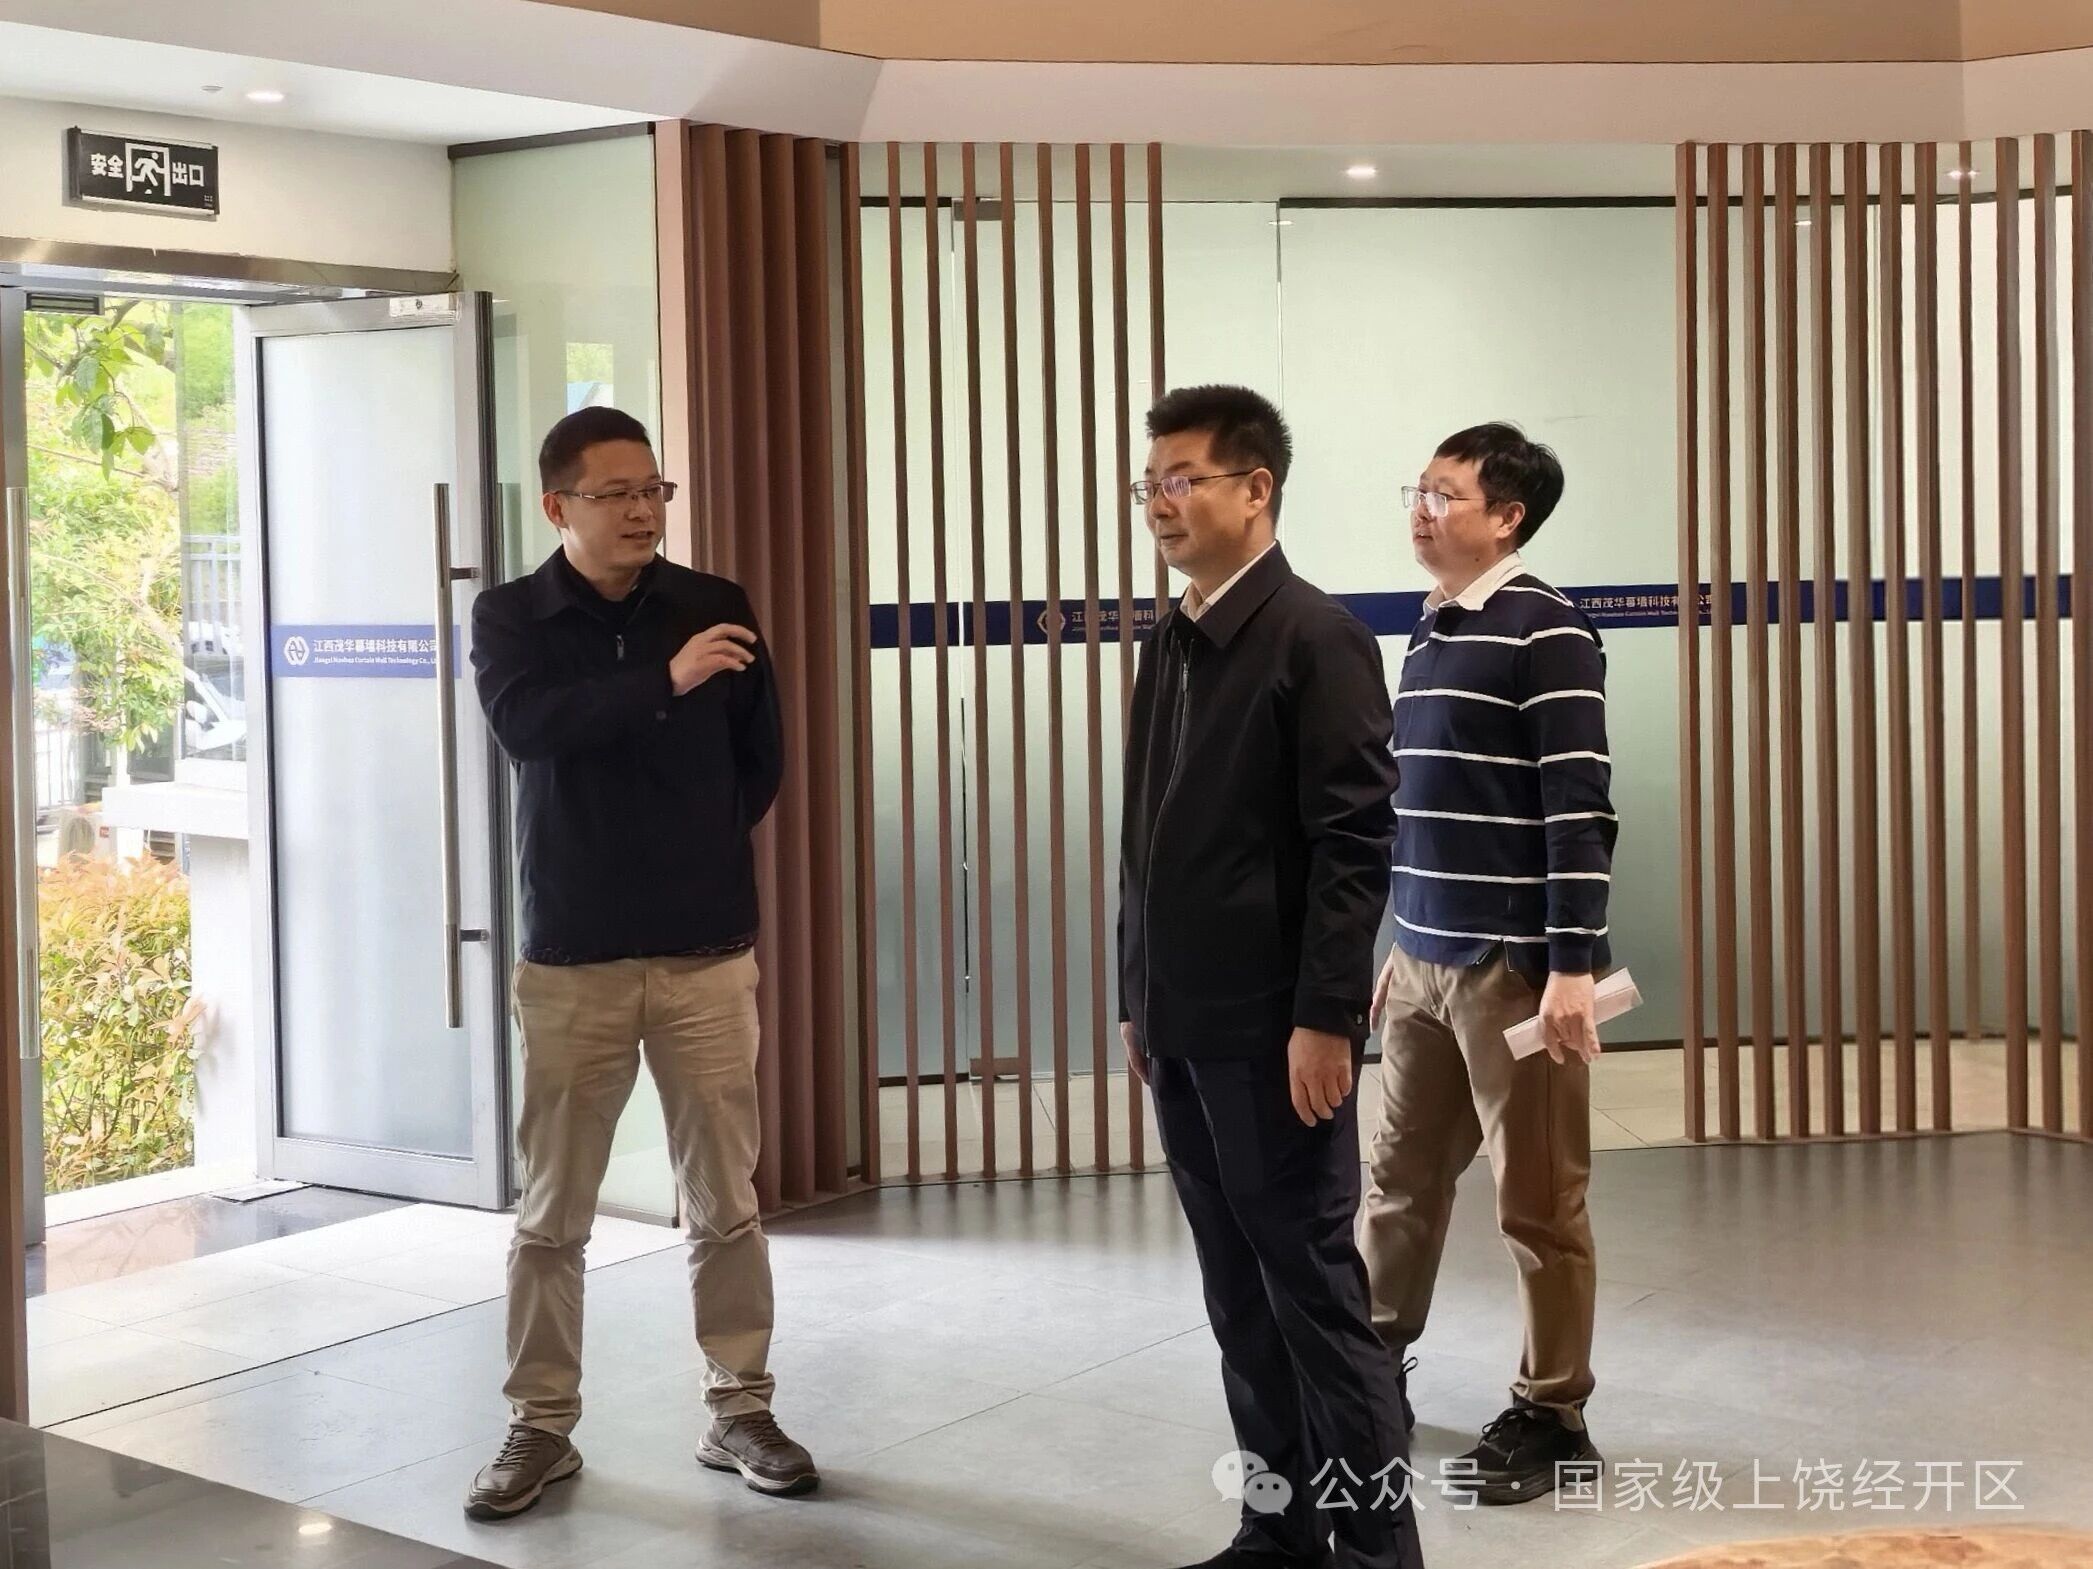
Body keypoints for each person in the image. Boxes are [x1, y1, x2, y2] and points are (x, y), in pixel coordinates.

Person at [463, 406, 816, 1520]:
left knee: (725, 1199)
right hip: (572, 955)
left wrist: (694, 843)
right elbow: (528, 727)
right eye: (614, 493)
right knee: (551, 1211)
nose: (641, 510)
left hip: (706, 950)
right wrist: (663, 680)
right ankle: (540, 1423)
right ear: (557, 505)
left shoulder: (715, 604)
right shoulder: (511, 616)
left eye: (653, 490)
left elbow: (760, 760)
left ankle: (739, 1406)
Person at [1121, 385, 1423, 1569]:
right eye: (1149, 483)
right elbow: (1144, 841)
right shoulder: (1171, 639)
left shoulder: (1314, 638)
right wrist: (1136, 996)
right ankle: (1276, 1524)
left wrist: (1324, 1017)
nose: (1160, 502)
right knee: (1235, 1296)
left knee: (1312, 1296)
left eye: (1181, 479)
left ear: (1256, 489)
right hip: (1181, 1025)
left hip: (1273, 1034)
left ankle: (1376, 1551)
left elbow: (1353, 844)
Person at [1357, 422, 1613, 1505]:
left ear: (1506, 517)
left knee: (1536, 1198)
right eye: (1415, 490)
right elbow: (1414, 805)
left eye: (1443, 494)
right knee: (1396, 1183)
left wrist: (1571, 966)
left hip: (1514, 966)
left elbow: (1578, 807)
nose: (1420, 510)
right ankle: (1369, 1369)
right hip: (1421, 955)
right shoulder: (1431, 626)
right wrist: (1395, 938)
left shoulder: (1546, 629)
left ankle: (1552, 1412)